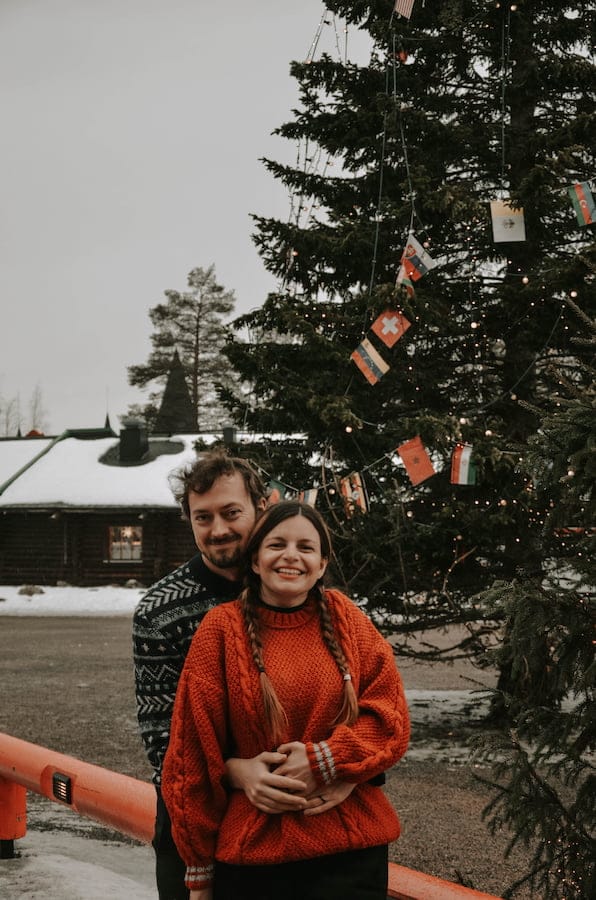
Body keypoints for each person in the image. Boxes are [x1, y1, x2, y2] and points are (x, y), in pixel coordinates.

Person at [162, 500, 410, 900]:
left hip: (351, 856)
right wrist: (199, 874)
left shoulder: (348, 620)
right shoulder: (221, 630)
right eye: (277, 544)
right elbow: (191, 756)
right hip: (254, 860)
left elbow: (389, 719)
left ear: (322, 564)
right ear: (256, 561)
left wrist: (330, 763)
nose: (291, 555)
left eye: (306, 547)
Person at [133, 451, 353, 900]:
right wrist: (237, 771)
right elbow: (163, 739)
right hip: (200, 818)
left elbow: (363, 701)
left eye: (232, 513)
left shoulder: (306, 588)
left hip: (308, 810)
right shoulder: (161, 611)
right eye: (203, 517)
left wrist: (348, 770)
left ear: (261, 508)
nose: (218, 530)